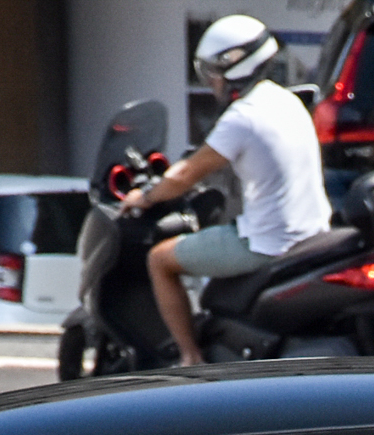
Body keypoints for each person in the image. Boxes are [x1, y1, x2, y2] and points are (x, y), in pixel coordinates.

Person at [117, 16, 330, 365]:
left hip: (269, 242)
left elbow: (185, 174)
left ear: (230, 69)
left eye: (210, 72)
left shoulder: (242, 117)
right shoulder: (287, 101)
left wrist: (144, 196)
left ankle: (189, 357)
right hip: (312, 233)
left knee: (159, 260)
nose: (210, 81)